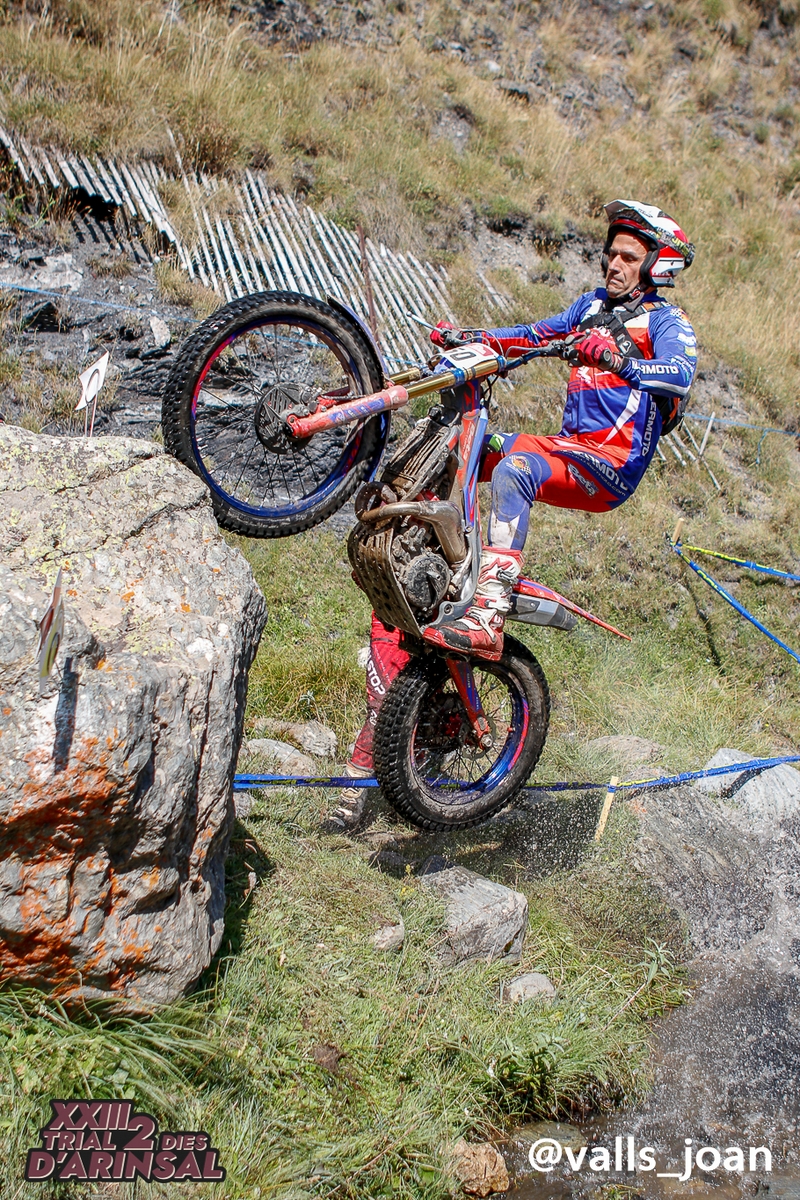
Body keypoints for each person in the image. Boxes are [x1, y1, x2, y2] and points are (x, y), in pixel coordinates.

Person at [323, 198, 697, 831]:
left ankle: (489, 606)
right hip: (565, 449)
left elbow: (679, 375)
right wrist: (473, 339)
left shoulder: (667, 321)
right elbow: (533, 335)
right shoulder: (590, 308)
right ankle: (438, 548)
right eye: (610, 253)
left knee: (516, 466)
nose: (613, 264)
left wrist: (619, 360)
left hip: (609, 464)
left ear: (656, 264)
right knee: (462, 448)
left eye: (628, 257)